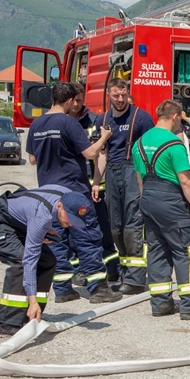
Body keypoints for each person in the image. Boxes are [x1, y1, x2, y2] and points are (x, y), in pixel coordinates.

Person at [26, 82, 121, 304]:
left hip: (48, 193)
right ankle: (98, 288)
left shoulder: (37, 124)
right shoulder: (68, 123)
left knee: (58, 242)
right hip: (73, 191)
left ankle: (62, 290)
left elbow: (32, 159)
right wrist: (104, 137)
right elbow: (89, 154)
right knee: (87, 238)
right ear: (69, 101)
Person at [0, 185, 102, 337]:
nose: (70, 223)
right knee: (21, 262)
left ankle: (33, 314)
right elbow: (29, 260)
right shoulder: (42, 217)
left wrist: (39, 226)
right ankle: (5, 323)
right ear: (59, 205)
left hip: (19, 222)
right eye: (68, 218)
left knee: (48, 262)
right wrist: (32, 299)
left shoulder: (68, 195)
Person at [132, 100, 190, 320]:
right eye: (180, 119)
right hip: (170, 200)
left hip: (148, 198)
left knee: (157, 250)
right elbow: (186, 181)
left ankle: (160, 303)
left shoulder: (140, 142)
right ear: (175, 117)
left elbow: (139, 177)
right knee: (186, 252)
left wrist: (145, 202)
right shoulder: (174, 144)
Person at [93, 79, 155, 295]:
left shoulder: (142, 117)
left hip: (133, 173)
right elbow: (100, 155)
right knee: (115, 228)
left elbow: (151, 151)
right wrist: (95, 181)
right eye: (116, 96)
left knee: (133, 225)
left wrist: (148, 182)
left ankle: (136, 279)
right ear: (108, 95)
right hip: (111, 173)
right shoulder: (102, 119)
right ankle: (124, 270)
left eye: (124, 95)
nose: (120, 100)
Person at [67, 83, 120, 284]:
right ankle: (79, 270)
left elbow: (101, 153)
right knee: (75, 232)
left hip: (93, 185)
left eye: (80, 100)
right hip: (72, 186)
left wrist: (96, 182)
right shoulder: (60, 123)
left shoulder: (93, 121)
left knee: (103, 230)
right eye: (74, 100)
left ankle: (112, 268)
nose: (77, 104)